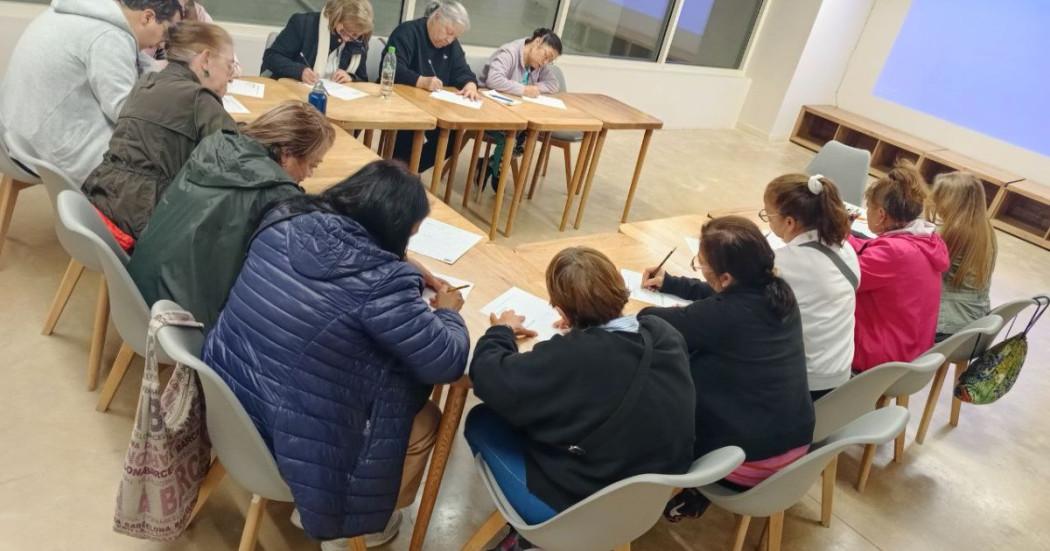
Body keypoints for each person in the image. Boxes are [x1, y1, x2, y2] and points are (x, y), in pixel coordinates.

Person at [202, 160, 470, 549]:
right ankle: (365, 528)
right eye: (406, 238)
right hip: (291, 440)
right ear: (389, 231)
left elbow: (337, 256)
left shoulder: (284, 219)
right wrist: (447, 311)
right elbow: (446, 361)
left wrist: (401, 261)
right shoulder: (381, 285)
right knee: (425, 422)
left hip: (229, 398)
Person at [466, 247, 695, 549]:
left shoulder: (572, 358)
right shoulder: (663, 333)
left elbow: (486, 375)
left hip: (582, 506)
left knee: (482, 419)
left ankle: (530, 539)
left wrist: (501, 330)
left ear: (560, 310)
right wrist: (582, 329)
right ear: (619, 289)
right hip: (650, 498)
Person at [638, 216, 814, 522]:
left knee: (648, 398)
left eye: (701, 264)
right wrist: (674, 284)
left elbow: (652, 320)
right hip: (794, 448)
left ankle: (637, 500)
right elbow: (725, 300)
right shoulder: (778, 292)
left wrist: (652, 307)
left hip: (745, 462)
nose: (700, 269)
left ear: (727, 278)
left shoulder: (725, 315)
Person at [127, 102, 336, 330]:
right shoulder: (276, 193)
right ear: (286, 154)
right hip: (181, 322)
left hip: (137, 290)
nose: (309, 174)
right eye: (312, 165)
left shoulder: (215, 146)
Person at [81, 21, 238, 249]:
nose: (231, 76)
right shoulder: (199, 99)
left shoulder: (146, 82)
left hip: (103, 202)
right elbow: (239, 163)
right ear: (205, 60)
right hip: (144, 224)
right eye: (229, 65)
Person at [0, 0, 183, 186]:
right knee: (159, 162)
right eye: (167, 33)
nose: (162, 43)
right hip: (42, 149)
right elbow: (125, 112)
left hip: (14, 136)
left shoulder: (70, 12)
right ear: (148, 17)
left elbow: (131, 65)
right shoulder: (109, 36)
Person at [763, 174, 860, 400]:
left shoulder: (785, 262)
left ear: (789, 222)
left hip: (804, 384)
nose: (768, 221)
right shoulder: (846, 250)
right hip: (839, 376)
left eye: (768, 215)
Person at [850, 161, 950, 372]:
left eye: (868, 207)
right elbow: (871, 253)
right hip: (912, 350)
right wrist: (845, 236)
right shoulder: (927, 241)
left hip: (882, 357)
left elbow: (845, 276)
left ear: (881, 214)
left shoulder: (895, 252)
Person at [385, 0, 479, 172]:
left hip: (435, 107)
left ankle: (409, 171)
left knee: (453, 137)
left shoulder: (451, 45)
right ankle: (398, 173)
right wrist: (421, 81)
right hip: (403, 104)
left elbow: (463, 70)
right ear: (437, 17)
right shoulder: (407, 32)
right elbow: (392, 68)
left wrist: (470, 84)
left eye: (454, 37)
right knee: (410, 131)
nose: (449, 40)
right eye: (448, 32)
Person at [477, 28, 563, 189]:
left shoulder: (537, 64)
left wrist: (534, 87)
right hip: (489, 111)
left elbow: (553, 84)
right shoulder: (509, 52)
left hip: (515, 113)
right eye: (546, 56)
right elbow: (493, 80)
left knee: (530, 135)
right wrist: (523, 89)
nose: (545, 63)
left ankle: (489, 165)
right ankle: (497, 173)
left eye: (550, 61)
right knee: (513, 137)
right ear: (537, 42)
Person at [925, 171, 998, 340]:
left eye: (940, 198)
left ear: (952, 201)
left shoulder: (957, 230)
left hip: (948, 323)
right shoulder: (986, 228)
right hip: (975, 318)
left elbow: (929, 268)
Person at [261, 0, 374, 84]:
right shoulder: (303, 24)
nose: (347, 39)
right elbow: (271, 57)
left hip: (336, 101)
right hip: (296, 92)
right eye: (344, 31)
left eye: (354, 35)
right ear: (335, 17)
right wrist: (300, 71)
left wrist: (350, 78)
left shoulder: (360, 39)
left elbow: (362, 79)